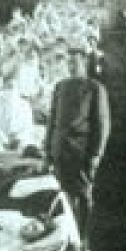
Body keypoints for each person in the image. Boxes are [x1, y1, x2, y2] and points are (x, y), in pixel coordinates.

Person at [46, 51, 110, 232]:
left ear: (84, 64)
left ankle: (84, 237)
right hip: (60, 149)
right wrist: (48, 150)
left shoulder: (95, 88)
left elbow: (102, 125)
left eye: (75, 63)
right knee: (62, 195)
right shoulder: (60, 87)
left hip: (81, 151)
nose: (72, 66)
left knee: (83, 195)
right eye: (69, 63)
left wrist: (96, 154)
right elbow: (52, 122)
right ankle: (68, 235)